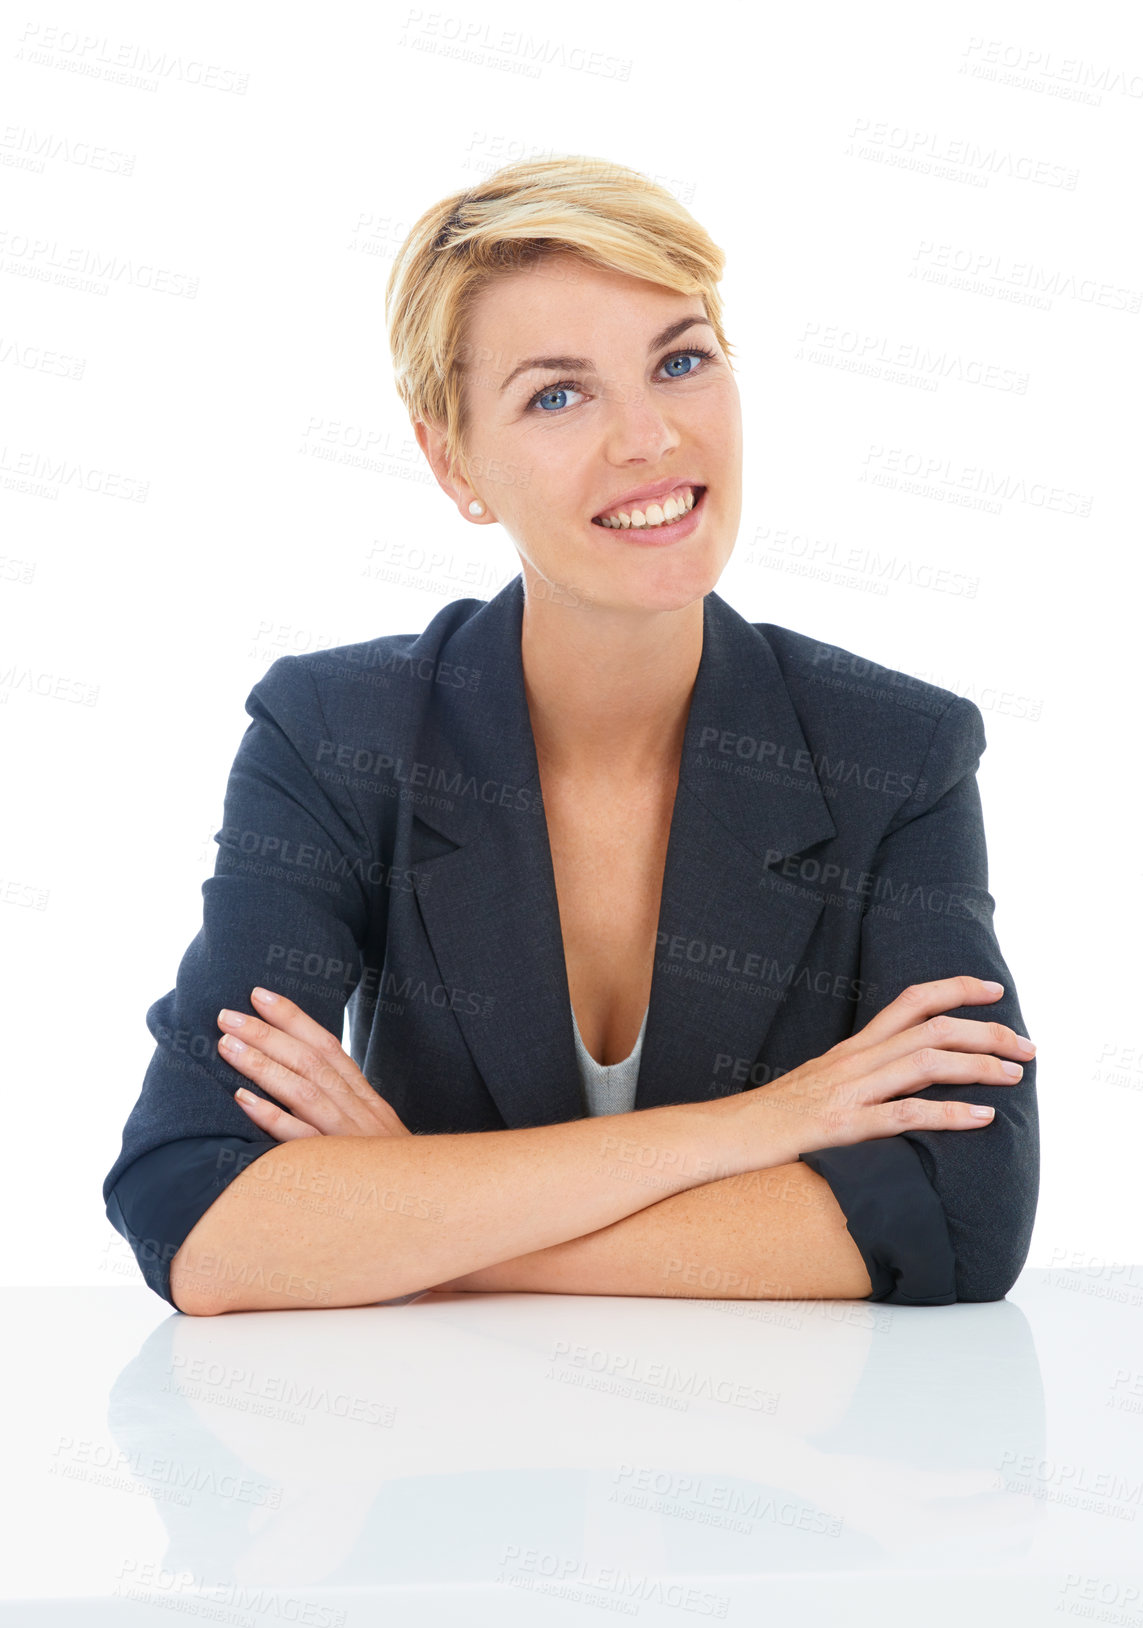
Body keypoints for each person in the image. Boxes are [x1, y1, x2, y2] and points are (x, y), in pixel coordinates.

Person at [102, 156, 1039, 1317]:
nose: (650, 439)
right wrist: (755, 1131)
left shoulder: (898, 752)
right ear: (454, 464)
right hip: (444, 1458)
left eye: (681, 361)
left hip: (780, 1468)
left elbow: (962, 1217)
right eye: (558, 394)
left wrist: (400, 1210)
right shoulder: (338, 738)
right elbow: (199, 1213)